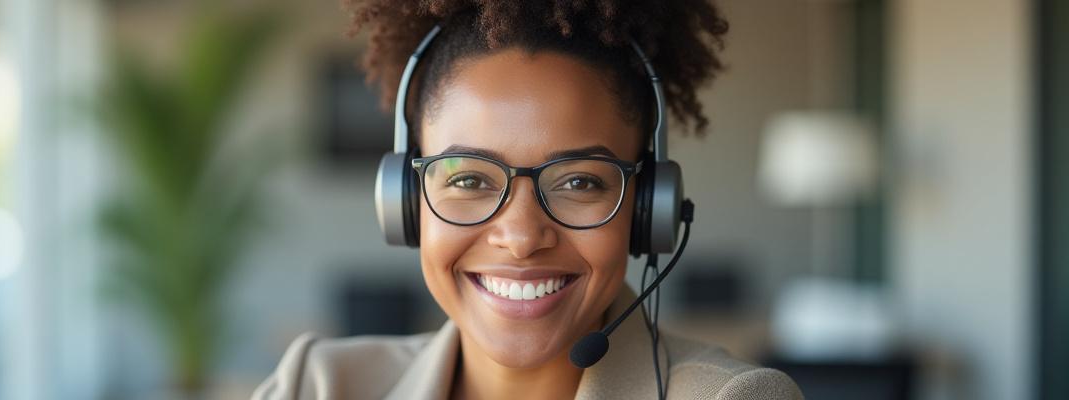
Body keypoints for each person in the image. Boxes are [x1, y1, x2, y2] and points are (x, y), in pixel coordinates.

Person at [254, 1, 803, 399]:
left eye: (579, 181)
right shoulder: (319, 384)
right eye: (469, 179)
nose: (520, 237)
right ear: (405, 200)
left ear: (647, 209)